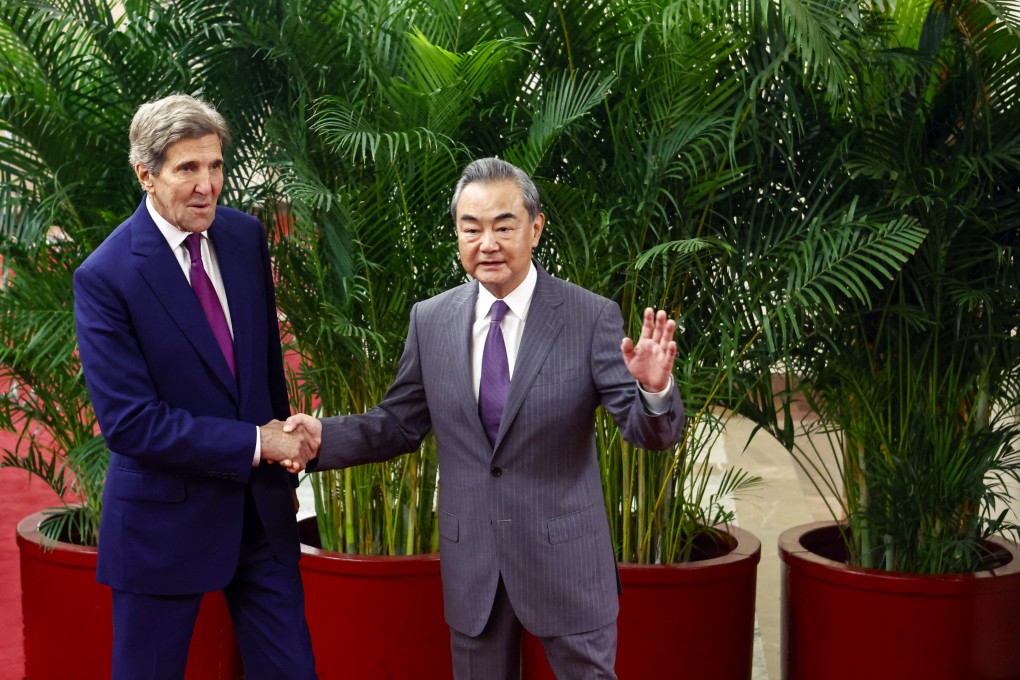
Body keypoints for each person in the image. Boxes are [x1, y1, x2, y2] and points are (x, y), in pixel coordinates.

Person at [285, 157, 684, 679]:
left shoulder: (589, 316)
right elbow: (400, 423)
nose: (487, 243)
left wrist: (654, 390)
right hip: (473, 562)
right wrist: (320, 439)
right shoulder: (431, 320)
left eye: (503, 225)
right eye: (471, 228)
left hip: (567, 560)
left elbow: (646, 432)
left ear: (536, 228)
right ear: (457, 234)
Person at [73, 94, 318, 680]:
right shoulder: (105, 276)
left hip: (260, 518)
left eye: (215, 166)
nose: (207, 185)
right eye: (187, 169)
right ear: (146, 175)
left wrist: (284, 445)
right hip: (162, 530)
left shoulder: (243, 236)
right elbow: (132, 424)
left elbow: (261, 368)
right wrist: (258, 443)